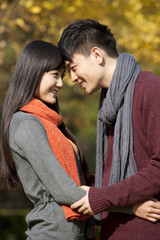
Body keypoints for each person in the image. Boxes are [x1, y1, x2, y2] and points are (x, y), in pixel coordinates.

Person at [58, 19, 160, 239]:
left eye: (73, 68)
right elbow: (111, 177)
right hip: (114, 230)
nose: (73, 78)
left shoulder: (151, 90)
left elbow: (157, 168)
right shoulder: (109, 103)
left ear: (97, 55)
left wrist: (102, 197)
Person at [0, 40, 96, 240]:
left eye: (62, 76)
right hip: (52, 233)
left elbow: (77, 181)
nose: (61, 83)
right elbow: (63, 189)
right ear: (34, 73)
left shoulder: (51, 124)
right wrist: (126, 208)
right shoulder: (26, 123)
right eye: (55, 75)